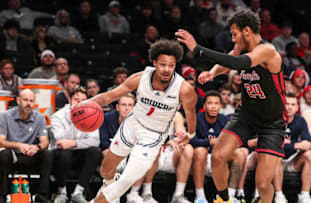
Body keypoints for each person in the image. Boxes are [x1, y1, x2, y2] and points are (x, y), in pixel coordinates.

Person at [175, 9, 286, 203]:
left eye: (235, 34)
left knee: (262, 184)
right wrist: (212, 73)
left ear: (246, 31)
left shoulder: (267, 51)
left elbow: (237, 62)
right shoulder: (240, 48)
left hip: (272, 121)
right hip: (247, 114)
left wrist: (197, 48)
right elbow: (228, 61)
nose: (233, 39)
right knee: (217, 156)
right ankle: (225, 199)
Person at [89, 39, 197, 203]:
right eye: (162, 64)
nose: (167, 69)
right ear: (154, 63)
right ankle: (111, 188)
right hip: (132, 125)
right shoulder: (139, 78)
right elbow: (110, 96)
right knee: (105, 170)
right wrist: (84, 104)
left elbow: (191, 113)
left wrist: (190, 133)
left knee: (126, 180)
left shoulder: (184, 89)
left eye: (171, 65)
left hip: (153, 136)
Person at [190, 91, 247, 203]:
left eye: (216, 103)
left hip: (220, 159)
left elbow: (238, 140)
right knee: (200, 151)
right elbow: (190, 140)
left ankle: (229, 196)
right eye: (210, 103)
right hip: (201, 160)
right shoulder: (196, 118)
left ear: (220, 106)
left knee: (240, 153)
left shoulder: (225, 120)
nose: (213, 106)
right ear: (204, 106)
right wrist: (208, 142)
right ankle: (200, 196)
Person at [51, 86, 103, 203]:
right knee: (64, 153)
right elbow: (60, 140)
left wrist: (74, 143)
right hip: (60, 157)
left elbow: (95, 141)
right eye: (76, 100)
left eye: (83, 101)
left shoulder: (92, 116)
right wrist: (76, 120)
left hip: (80, 156)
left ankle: (78, 192)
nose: (79, 103)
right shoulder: (57, 116)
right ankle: (61, 192)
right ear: (70, 100)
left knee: (95, 152)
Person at [0, 89, 53, 203]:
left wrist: (37, 147)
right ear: (18, 100)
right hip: (13, 156)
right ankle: (2, 195)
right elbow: (1, 141)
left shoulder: (39, 117)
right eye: (25, 100)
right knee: (3, 154)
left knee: (47, 154)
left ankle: (42, 194)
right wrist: (18, 145)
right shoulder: (5, 116)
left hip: (31, 154)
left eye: (31, 101)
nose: (28, 103)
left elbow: (45, 142)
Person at [273, 93, 311, 203]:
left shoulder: (300, 120)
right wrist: (296, 144)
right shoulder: (273, 119)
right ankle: (278, 195)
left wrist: (290, 144)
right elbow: (271, 144)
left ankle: (305, 195)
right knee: (276, 153)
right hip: (275, 161)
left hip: (293, 160)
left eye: (293, 104)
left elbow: (308, 144)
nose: (290, 107)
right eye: (287, 104)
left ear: (297, 107)